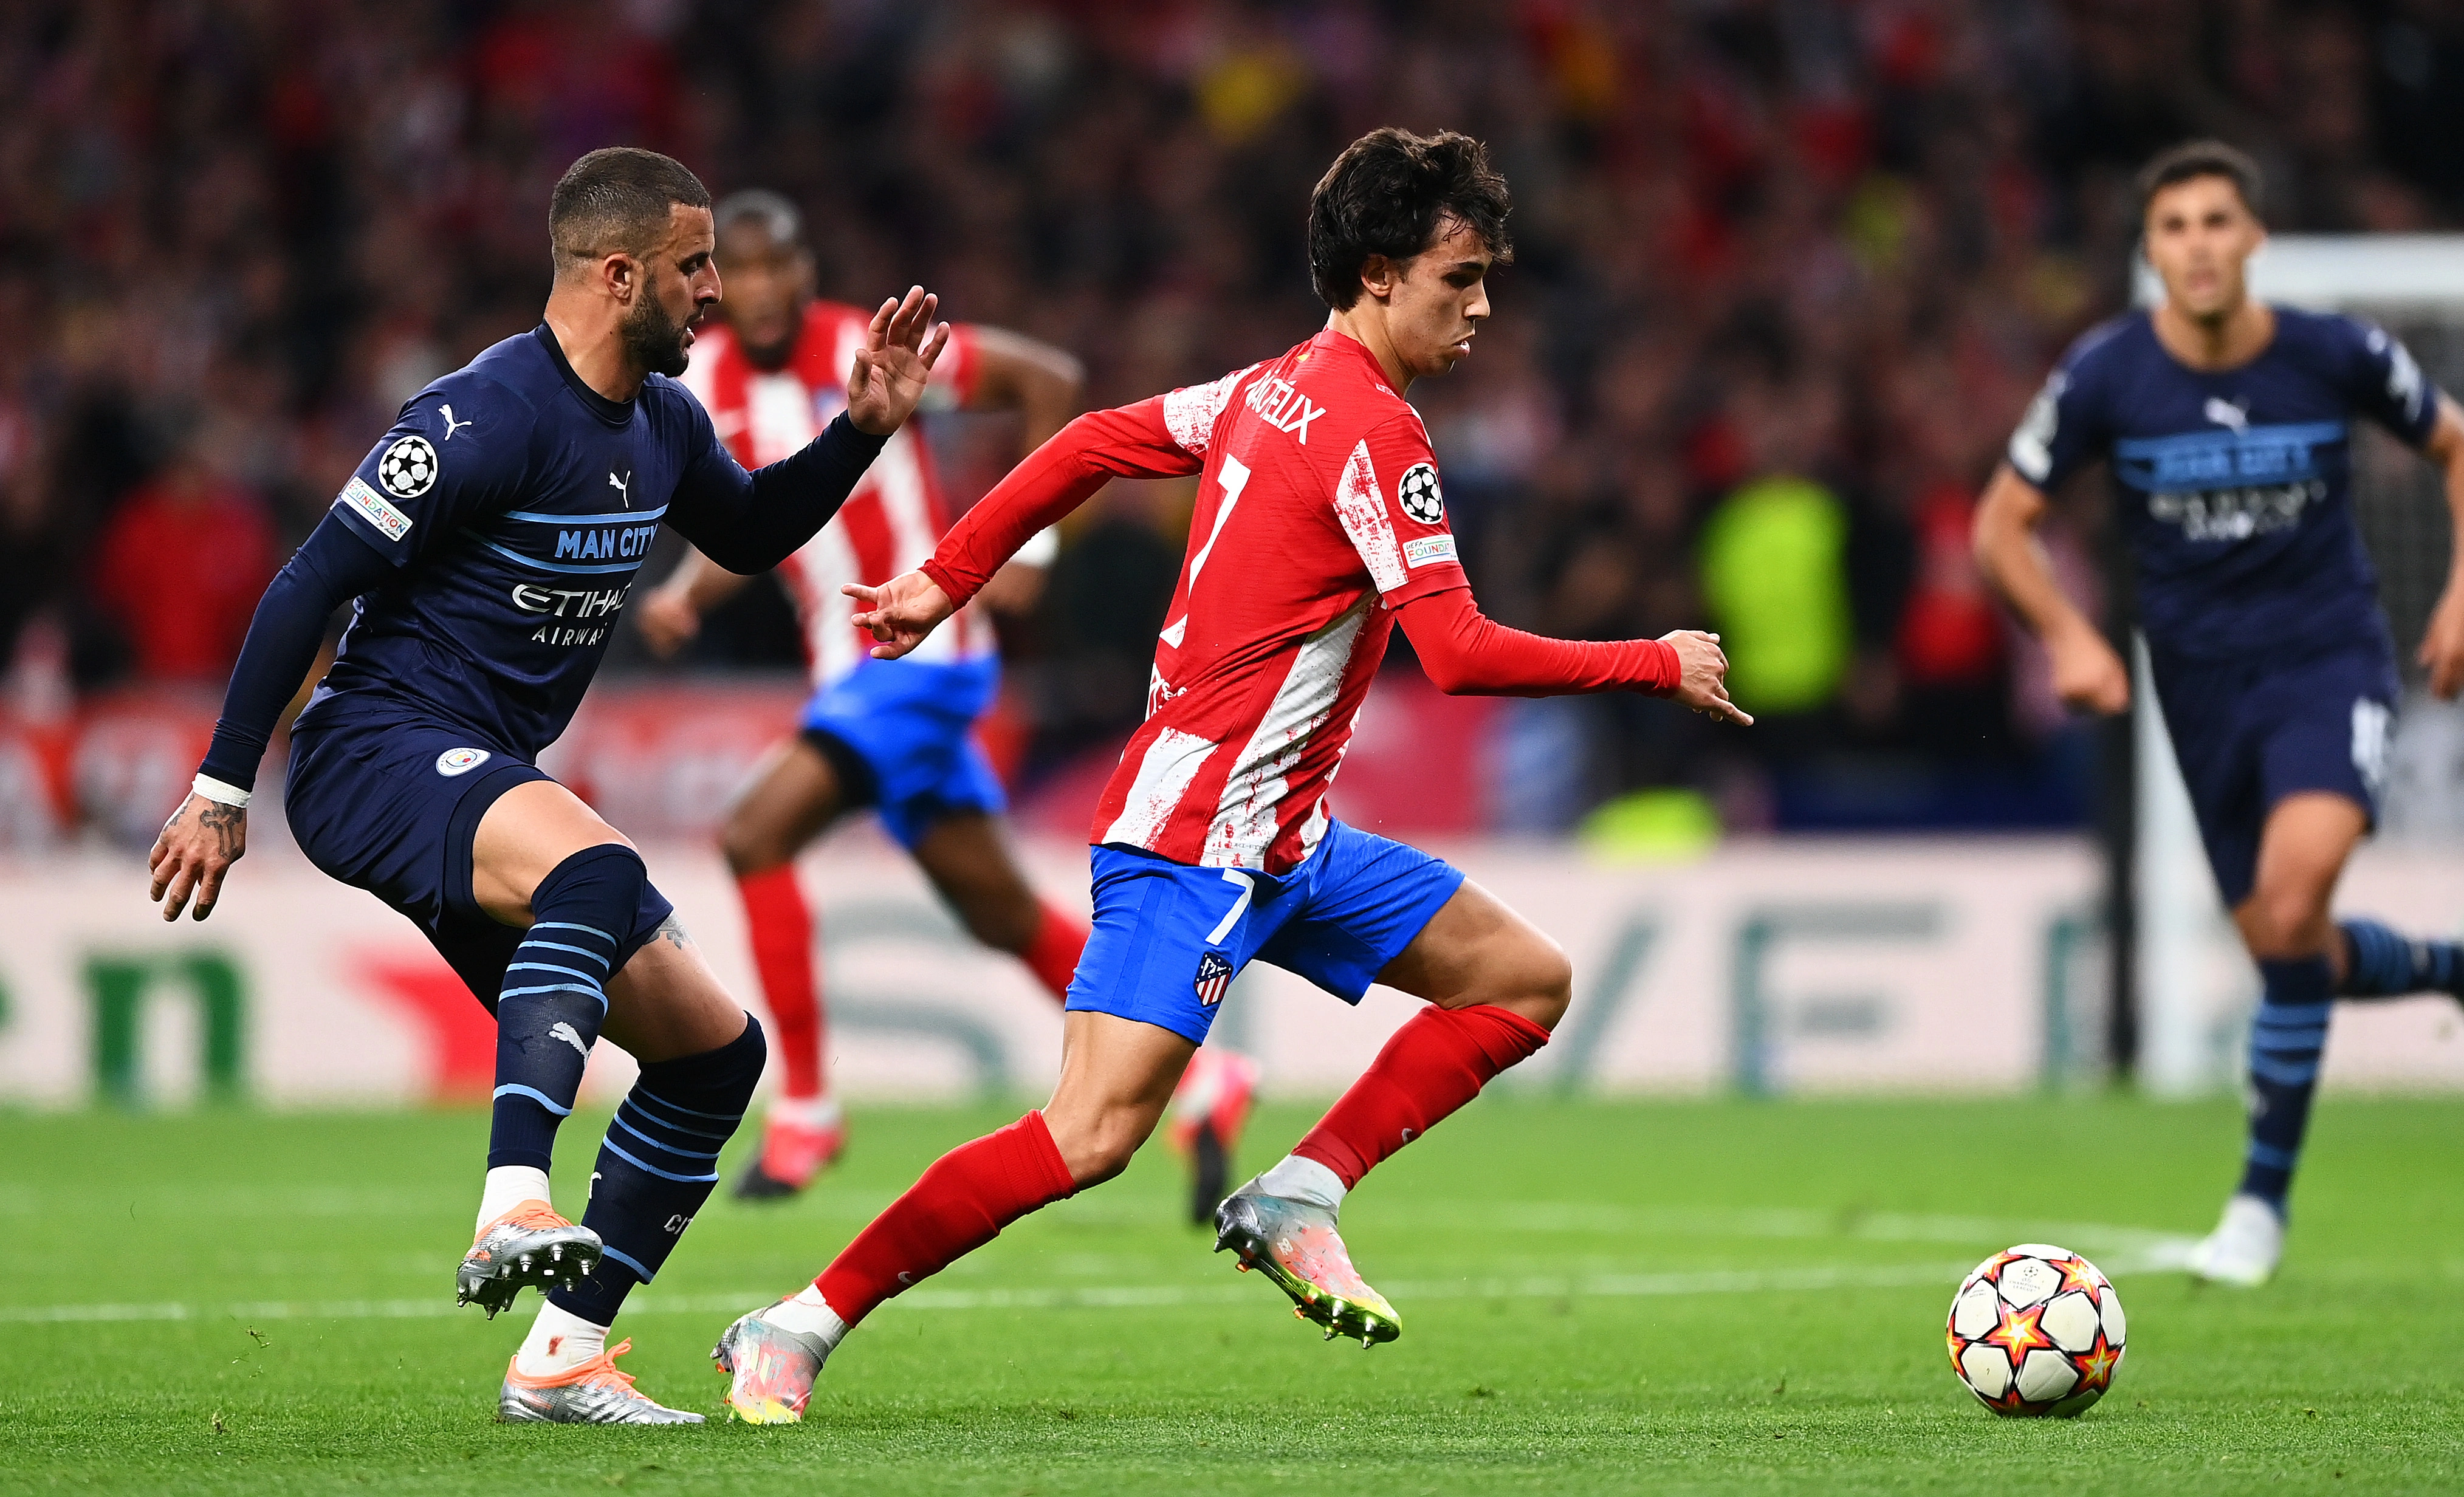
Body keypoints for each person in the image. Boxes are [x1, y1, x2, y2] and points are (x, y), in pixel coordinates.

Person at [707, 126, 1749, 1425]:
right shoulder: (1376, 433)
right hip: (1195, 837)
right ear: (1378, 273)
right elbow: (1462, 653)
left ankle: (1301, 1189)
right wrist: (1652, 660)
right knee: (1087, 1137)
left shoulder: (1272, 387)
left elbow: (1089, 440)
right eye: (1458, 278)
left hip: (1285, 836)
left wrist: (947, 573)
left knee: (1522, 980)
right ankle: (792, 1324)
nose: (1482, 307)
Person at [145, 146, 949, 1423]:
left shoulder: (666, 422)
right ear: (618, 271)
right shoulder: (481, 415)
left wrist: (861, 428)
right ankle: (513, 1197)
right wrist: (220, 787)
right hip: (375, 750)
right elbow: (310, 582)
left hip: (484, 772)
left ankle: (564, 1355)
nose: (717, 297)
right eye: (695, 269)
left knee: (713, 1055)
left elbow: (745, 533)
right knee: (595, 867)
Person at [636, 190, 1261, 1213]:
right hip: (853, 670)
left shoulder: (872, 346)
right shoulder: (703, 385)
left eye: (772, 266)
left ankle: (803, 1114)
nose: (754, 289)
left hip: (922, 654)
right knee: (1002, 913)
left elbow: (1048, 378)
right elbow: (764, 520)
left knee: (754, 835)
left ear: (804, 271)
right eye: (733, 270)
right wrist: (684, 594)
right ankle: (1203, 1080)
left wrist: (1032, 541)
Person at [1973, 140, 2464, 1289]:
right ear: (2150, 251)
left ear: (2255, 237)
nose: (2199, 246)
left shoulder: (2336, 352)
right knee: (2285, 945)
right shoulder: (2105, 373)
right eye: (2175, 227)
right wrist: (2072, 635)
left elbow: (2461, 449)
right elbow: (2000, 525)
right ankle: (2455, 969)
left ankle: (2258, 1212)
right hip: (2200, 689)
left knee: (2290, 902)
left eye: (2218, 221)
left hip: (2329, 662)